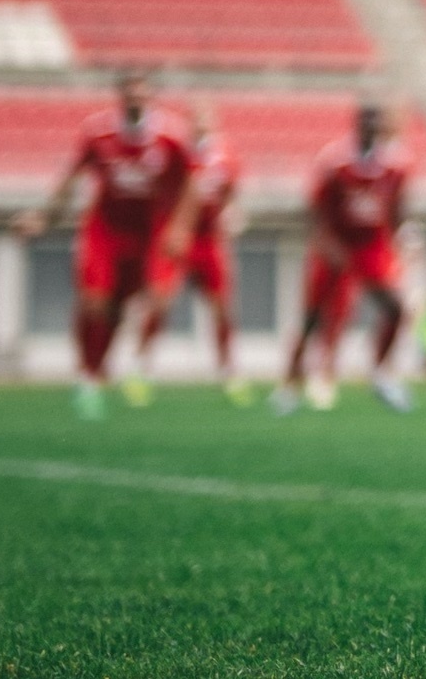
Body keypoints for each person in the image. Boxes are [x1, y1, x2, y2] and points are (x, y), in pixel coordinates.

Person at [14, 68, 196, 418]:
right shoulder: (99, 134)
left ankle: (130, 366)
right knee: (95, 302)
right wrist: (44, 217)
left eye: (142, 92)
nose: (135, 98)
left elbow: (190, 184)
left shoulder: (170, 137)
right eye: (129, 91)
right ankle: (87, 375)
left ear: (151, 98)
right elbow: (71, 178)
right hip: (105, 230)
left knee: (149, 301)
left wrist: (179, 228)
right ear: (120, 96)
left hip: (148, 233)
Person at [279, 100, 416, 414]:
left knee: (396, 309)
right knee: (313, 318)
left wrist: (402, 235)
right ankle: (289, 384)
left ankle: (381, 374)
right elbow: (315, 209)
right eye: (366, 120)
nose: (372, 127)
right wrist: (324, 244)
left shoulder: (396, 164)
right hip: (336, 246)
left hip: (371, 247)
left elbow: (397, 207)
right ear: (356, 124)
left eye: (376, 121)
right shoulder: (336, 162)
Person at [139, 100, 251, 402]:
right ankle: (143, 367)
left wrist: (231, 212)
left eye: (207, 121)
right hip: (174, 234)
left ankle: (229, 370)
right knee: (160, 300)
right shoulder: (175, 153)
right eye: (196, 121)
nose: (201, 127)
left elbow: (230, 191)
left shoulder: (225, 155)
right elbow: (157, 187)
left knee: (222, 307)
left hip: (208, 238)